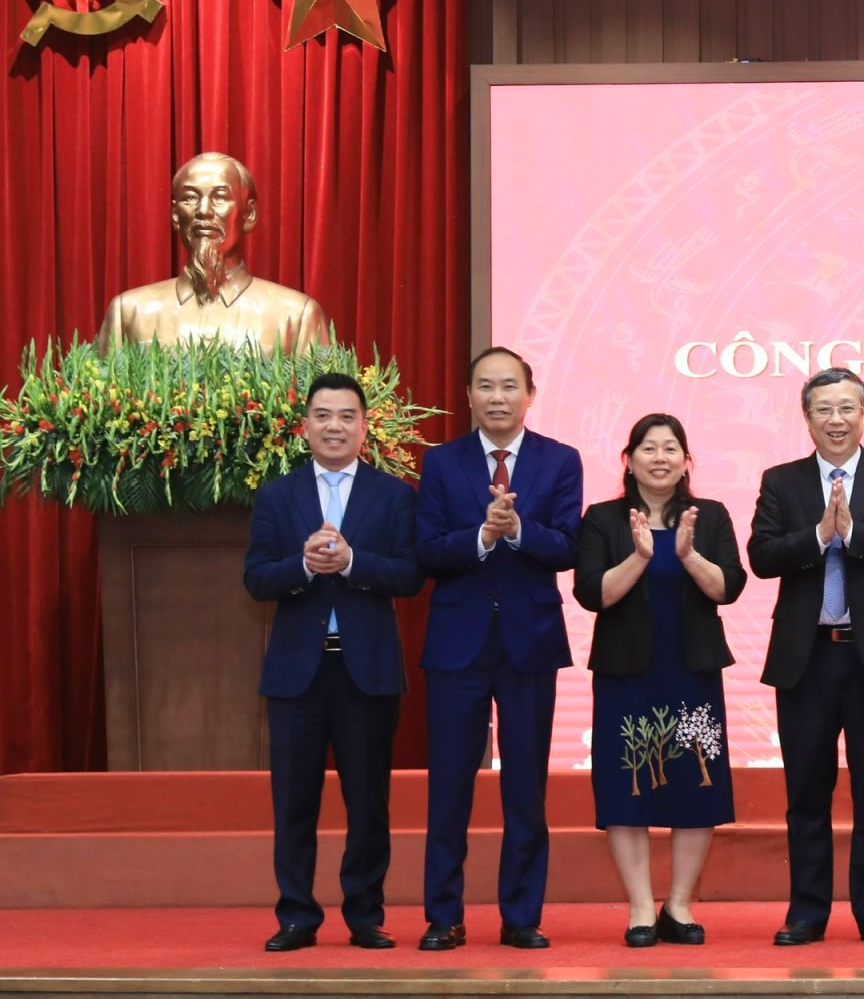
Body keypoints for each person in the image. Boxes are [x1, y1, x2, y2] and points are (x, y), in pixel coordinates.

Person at [748, 368, 864, 945]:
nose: (836, 420)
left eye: (847, 408)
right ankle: (807, 911)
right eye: (824, 409)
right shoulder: (781, 480)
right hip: (806, 658)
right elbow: (761, 555)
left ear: (863, 413)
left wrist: (852, 535)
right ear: (807, 418)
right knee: (806, 790)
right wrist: (817, 536)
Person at [243, 372, 421, 951]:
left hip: (365, 671)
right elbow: (255, 579)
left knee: (368, 803)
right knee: (294, 802)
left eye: (347, 416)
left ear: (364, 427)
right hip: (298, 673)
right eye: (323, 415)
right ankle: (296, 916)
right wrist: (302, 566)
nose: (334, 426)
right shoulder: (278, 495)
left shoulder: (394, 495)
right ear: (305, 427)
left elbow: (410, 575)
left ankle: (365, 914)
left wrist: (351, 563)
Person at [413, 347, 583, 950]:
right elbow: (426, 552)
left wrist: (519, 531)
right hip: (456, 643)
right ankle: (444, 916)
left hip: (529, 642)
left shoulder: (560, 460)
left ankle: (521, 916)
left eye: (510, 386)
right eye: (485, 386)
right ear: (468, 396)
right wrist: (482, 536)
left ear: (530, 394)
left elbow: (569, 547)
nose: (498, 397)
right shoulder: (441, 462)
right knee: (449, 786)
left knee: (525, 789)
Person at [574, 414, 747, 946]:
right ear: (628, 460)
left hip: (691, 672)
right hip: (627, 673)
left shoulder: (709, 516)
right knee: (627, 785)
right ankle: (641, 909)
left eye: (671, 448)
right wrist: (640, 556)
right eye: (648, 448)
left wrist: (688, 555)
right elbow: (593, 594)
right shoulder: (603, 518)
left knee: (696, 784)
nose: (660, 458)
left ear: (686, 461)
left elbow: (727, 588)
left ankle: (679, 905)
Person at [96, 152, 333, 354]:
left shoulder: (296, 317)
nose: (203, 211)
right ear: (176, 216)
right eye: (190, 198)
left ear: (249, 215)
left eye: (220, 198)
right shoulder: (129, 312)